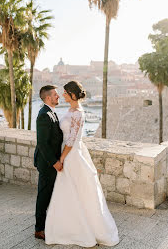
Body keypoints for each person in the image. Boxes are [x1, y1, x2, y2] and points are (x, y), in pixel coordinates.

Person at [45, 81, 119, 247]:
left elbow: (71, 140)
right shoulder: (70, 110)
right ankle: (67, 227)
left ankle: (82, 230)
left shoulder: (78, 113)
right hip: (70, 152)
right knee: (69, 191)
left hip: (72, 155)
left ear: (72, 94)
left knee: (75, 190)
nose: (62, 95)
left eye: (64, 92)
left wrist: (62, 158)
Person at [34, 85, 63, 240]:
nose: (58, 97)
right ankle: (39, 229)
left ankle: (48, 224)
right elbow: (42, 144)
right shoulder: (44, 115)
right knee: (43, 195)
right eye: (55, 95)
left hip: (52, 162)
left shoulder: (51, 112)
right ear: (47, 97)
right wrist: (54, 162)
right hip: (47, 164)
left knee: (50, 194)